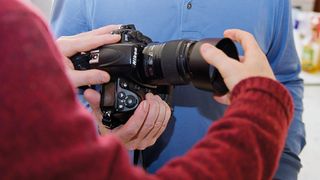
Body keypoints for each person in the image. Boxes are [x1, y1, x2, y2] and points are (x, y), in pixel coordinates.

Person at [0, 1, 294, 179]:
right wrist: (101, 136)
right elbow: (65, 95)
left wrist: (284, 165)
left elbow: (286, 77)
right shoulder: (13, 30)